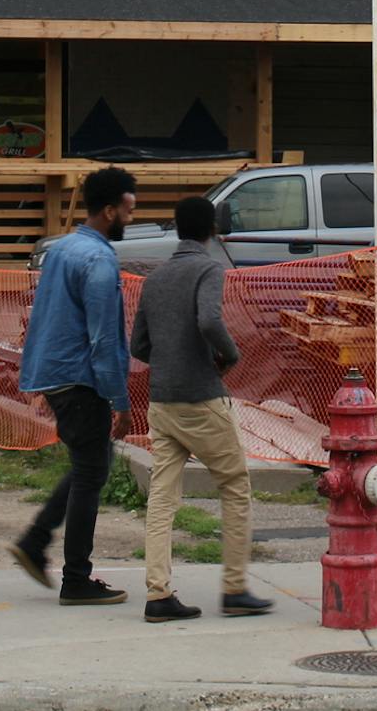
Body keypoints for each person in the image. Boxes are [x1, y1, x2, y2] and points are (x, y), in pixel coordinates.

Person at [130, 195, 272, 622]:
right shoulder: (210, 268)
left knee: (161, 498)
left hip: (162, 401)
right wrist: (229, 356)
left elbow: (138, 344)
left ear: (176, 229)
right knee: (234, 486)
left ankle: (158, 594)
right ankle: (234, 588)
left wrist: (169, 360)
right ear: (212, 231)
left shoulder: (155, 278)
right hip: (201, 398)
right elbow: (209, 320)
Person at [9, 165, 136, 607]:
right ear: (108, 210)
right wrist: (120, 400)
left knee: (90, 465)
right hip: (81, 379)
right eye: (127, 209)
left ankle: (37, 541)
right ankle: (73, 577)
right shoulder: (99, 260)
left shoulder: (63, 249)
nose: (131, 218)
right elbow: (102, 338)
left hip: (57, 373)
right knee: (91, 470)